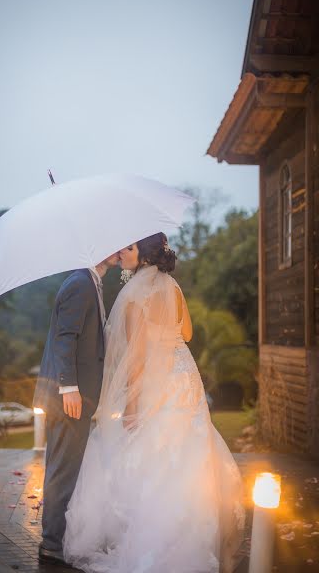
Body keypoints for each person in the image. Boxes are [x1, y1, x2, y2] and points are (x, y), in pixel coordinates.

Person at [64, 233, 245, 573]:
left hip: (157, 382)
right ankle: (195, 531)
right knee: (189, 450)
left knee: (153, 457)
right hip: (184, 377)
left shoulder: (133, 296)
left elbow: (137, 359)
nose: (122, 252)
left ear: (143, 254)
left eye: (128, 248)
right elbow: (187, 333)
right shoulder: (173, 287)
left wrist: (132, 405)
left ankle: (157, 541)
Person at [33, 253, 119, 567]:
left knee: (68, 470)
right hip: (68, 398)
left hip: (78, 399)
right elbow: (64, 338)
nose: (119, 249)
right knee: (62, 472)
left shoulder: (89, 282)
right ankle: (52, 545)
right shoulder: (80, 283)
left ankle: (58, 540)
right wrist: (69, 388)